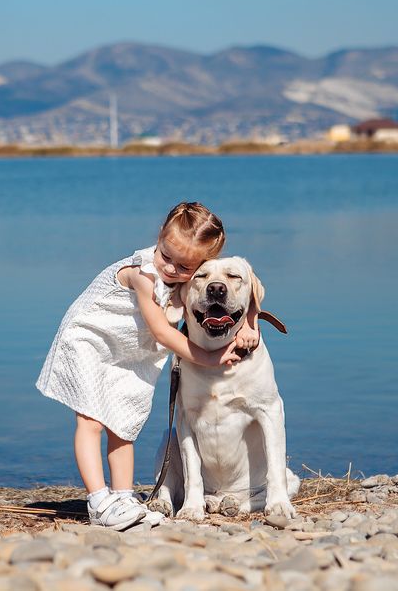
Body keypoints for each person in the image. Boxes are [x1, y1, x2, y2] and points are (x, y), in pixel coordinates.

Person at [36, 202, 260, 529]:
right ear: (160, 236)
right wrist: (209, 357)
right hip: (88, 338)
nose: (171, 269)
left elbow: (238, 296)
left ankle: (124, 497)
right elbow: (161, 331)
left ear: (200, 266)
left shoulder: (190, 276)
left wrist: (249, 325)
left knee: (123, 423)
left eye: (185, 267)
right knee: (91, 421)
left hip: (124, 350)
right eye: (166, 256)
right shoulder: (143, 274)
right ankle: (99, 501)